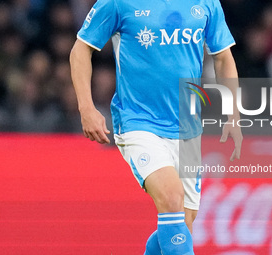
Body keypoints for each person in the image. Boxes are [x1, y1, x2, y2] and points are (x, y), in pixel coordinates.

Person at [69, 0, 242, 254]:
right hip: (139, 122)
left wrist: (233, 113)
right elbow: (81, 49)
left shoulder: (207, 3)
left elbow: (223, 57)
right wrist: (86, 107)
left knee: (182, 224)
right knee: (172, 199)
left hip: (188, 128)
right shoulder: (119, 2)